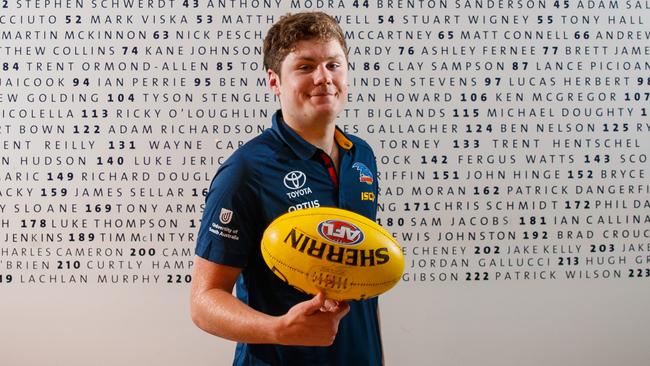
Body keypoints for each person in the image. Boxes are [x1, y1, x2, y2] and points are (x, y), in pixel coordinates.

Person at [190, 12, 382, 365]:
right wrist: (280, 328)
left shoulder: (362, 158)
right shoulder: (246, 170)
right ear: (275, 81)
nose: (324, 78)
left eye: (333, 64)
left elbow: (360, 281)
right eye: (306, 67)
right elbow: (204, 302)